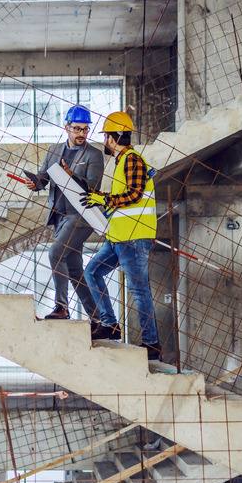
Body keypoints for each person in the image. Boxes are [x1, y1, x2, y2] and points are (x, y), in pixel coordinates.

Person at [79, 111, 163, 361]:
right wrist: (101, 201)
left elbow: (135, 194)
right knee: (92, 272)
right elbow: (121, 199)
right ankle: (110, 325)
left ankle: (152, 344)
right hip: (119, 237)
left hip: (134, 237)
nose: (105, 141)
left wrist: (104, 198)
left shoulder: (132, 160)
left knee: (139, 291)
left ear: (115, 137)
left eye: (106, 136)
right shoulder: (121, 163)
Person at [28, 105, 104, 326]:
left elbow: (93, 187)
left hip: (81, 216)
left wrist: (72, 176)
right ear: (67, 127)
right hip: (60, 217)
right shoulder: (53, 151)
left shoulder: (93, 155)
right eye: (77, 129)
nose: (81, 134)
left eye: (85, 130)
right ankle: (98, 318)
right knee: (74, 270)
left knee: (55, 253)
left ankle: (61, 307)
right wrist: (35, 184)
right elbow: (43, 178)